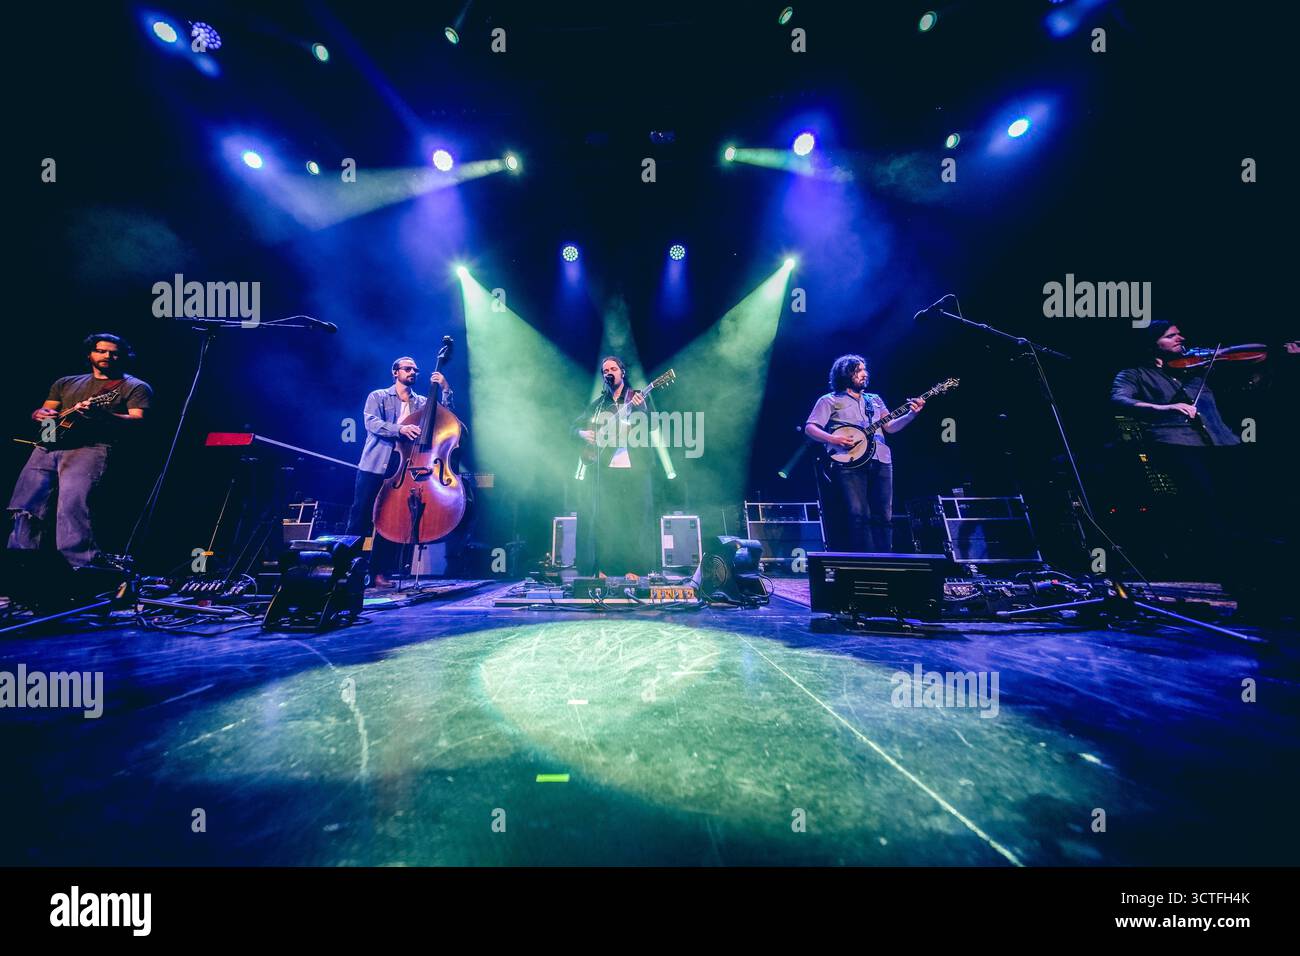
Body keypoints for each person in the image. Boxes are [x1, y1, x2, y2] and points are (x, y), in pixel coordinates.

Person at [7, 333, 152, 567]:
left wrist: (104, 415)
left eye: (114, 353)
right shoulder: (65, 382)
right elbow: (45, 412)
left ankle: (81, 570)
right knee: (26, 508)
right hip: (47, 446)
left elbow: (138, 420)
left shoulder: (134, 386)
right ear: (90, 354)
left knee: (73, 509)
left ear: (124, 356)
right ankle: (20, 568)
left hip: (90, 448)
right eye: (101, 351)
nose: (107, 356)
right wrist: (38, 414)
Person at [347, 356, 452, 587]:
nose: (413, 372)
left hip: (403, 466)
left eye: (415, 369)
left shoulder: (422, 402)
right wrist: (400, 429)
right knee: (360, 515)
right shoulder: (378, 397)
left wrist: (445, 389)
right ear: (395, 372)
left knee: (390, 520)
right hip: (375, 465)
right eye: (407, 369)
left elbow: (444, 415)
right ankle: (346, 569)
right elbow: (371, 423)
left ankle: (378, 572)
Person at [804, 354, 924, 552]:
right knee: (859, 515)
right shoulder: (829, 400)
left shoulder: (874, 400)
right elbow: (811, 428)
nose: (864, 374)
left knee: (884, 515)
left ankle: (886, 561)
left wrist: (911, 415)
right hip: (849, 462)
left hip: (881, 459)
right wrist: (834, 439)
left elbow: (891, 427)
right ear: (845, 374)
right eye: (858, 370)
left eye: (864, 370)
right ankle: (866, 562)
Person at [571, 356, 658, 577]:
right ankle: (607, 568)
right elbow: (573, 427)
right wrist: (583, 433)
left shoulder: (637, 396)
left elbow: (653, 425)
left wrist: (642, 409)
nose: (609, 372)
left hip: (635, 469)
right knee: (607, 520)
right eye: (605, 370)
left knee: (636, 520)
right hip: (607, 470)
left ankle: (636, 569)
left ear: (622, 372)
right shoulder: (600, 404)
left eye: (613, 368)